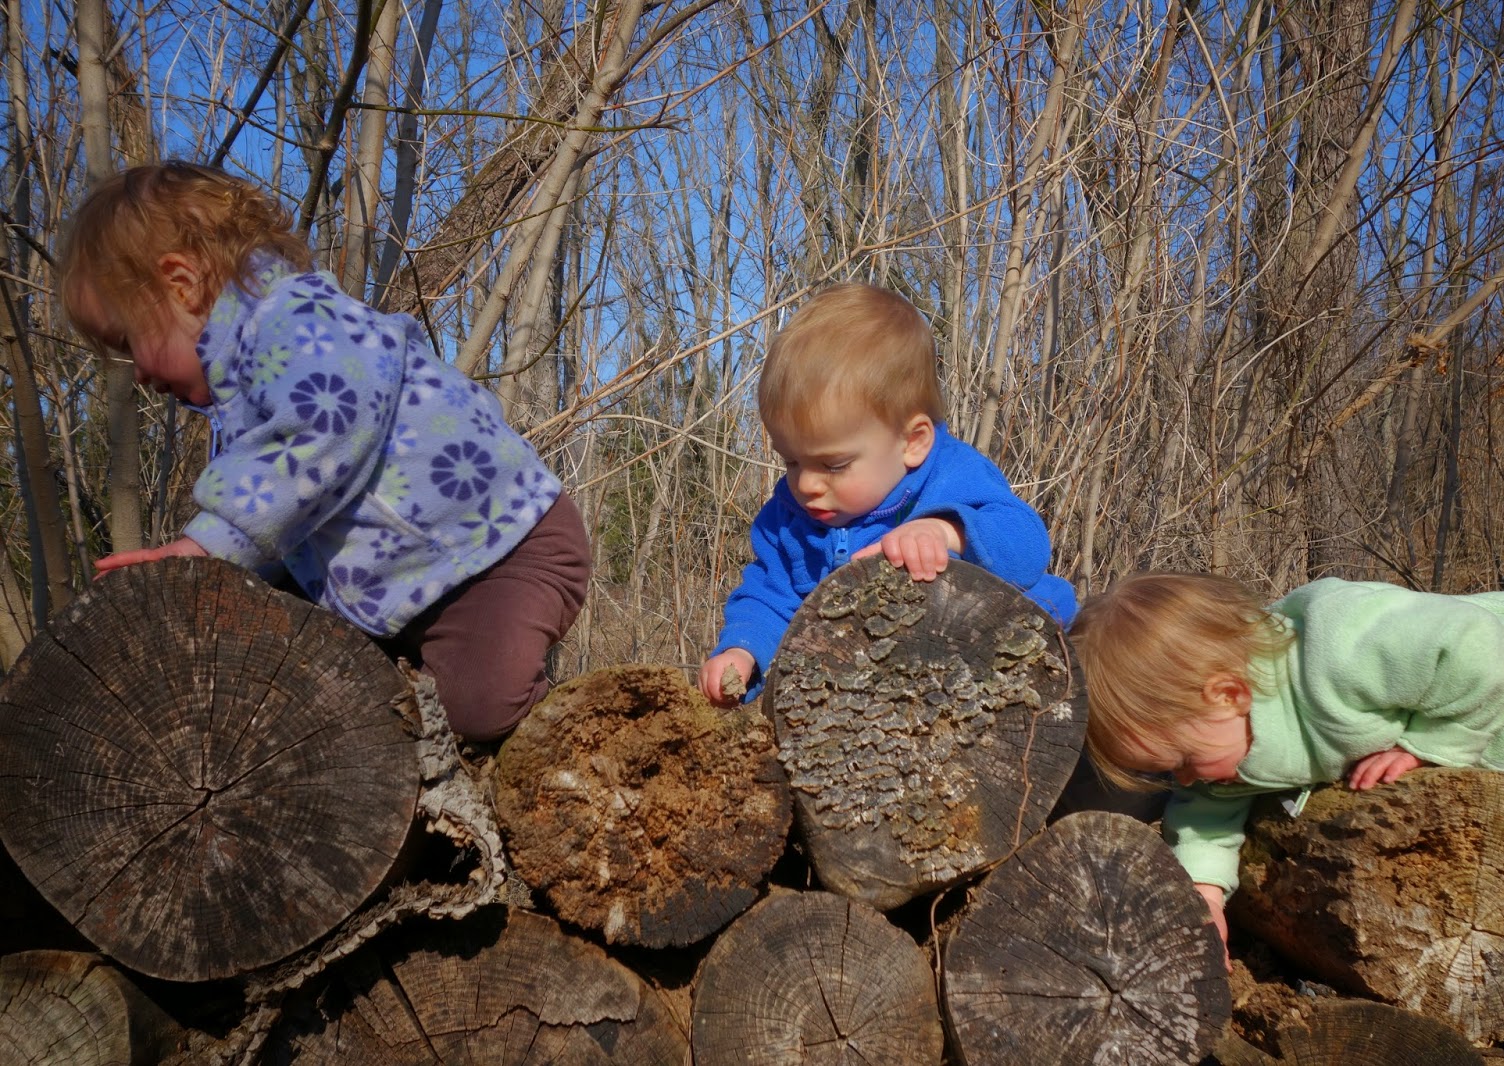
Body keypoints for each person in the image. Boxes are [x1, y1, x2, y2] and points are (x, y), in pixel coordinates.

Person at [61, 161, 592, 743]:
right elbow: (297, 517)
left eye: (128, 341)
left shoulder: (294, 318)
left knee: (480, 708)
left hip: (502, 548)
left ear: (181, 283)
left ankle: (585, 734)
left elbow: (325, 429)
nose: (136, 372)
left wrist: (212, 542)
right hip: (418, 578)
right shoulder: (246, 380)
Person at [1069, 571, 1504, 962]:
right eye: (1171, 773)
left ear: (1227, 694)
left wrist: (1430, 746)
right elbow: (1203, 816)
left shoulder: (1338, 649)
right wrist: (1202, 893)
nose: (1186, 780)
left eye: (1184, 761)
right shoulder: (1223, 742)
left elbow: (1475, 646)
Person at [698, 282, 1078, 706]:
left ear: (912, 442)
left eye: (833, 465)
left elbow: (1027, 549)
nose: (805, 484)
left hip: (1016, 663)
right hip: (876, 698)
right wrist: (743, 651)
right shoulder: (788, 522)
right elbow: (770, 597)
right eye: (791, 461)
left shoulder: (953, 475)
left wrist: (946, 531)